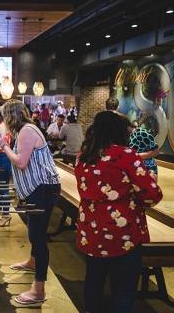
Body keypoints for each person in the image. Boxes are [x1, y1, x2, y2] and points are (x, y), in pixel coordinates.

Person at [75, 111, 163, 313]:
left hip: (92, 232)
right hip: (123, 235)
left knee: (93, 283)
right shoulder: (126, 155)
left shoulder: (84, 156)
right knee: (123, 291)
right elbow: (152, 194)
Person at [0, 100, 60, 305]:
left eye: (4, 116)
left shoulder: (26, 130)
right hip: (40, 188)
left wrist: (4, 145)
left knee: (37, 236)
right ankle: (33, 262)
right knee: (34, 232)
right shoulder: (25, 129)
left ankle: (38, 289)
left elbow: (21, 162)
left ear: (10, 116)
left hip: (42, 188)